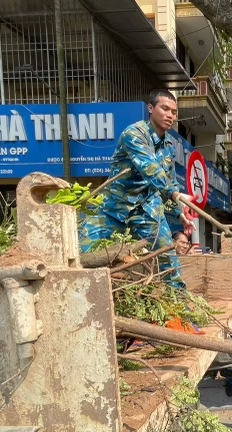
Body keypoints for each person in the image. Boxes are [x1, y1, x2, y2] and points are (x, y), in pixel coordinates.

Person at [80, 89, 195, 288]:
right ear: (151, 108)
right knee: (83, 253)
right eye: (165, 109)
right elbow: (150, 169)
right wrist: (175, 194)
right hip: (114, 207)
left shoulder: (168, 146)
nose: (170, 115)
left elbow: (169, 179)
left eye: (174, 112)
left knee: (168, 260)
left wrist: (180, 213)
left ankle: (181, 310)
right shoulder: (134, 134)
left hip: (147, 209)